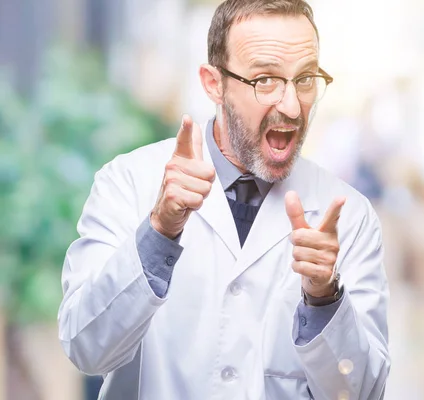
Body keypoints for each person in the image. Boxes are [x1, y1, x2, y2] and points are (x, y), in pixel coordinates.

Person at [57, 0, 390, 398]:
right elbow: (85, 348)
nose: (291, 105)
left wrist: (324, 297)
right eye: (265, 80)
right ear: (214, 83)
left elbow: (361, 391)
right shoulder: (128, 181)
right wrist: (159, 232)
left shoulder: (349, 216)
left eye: (304, 79)